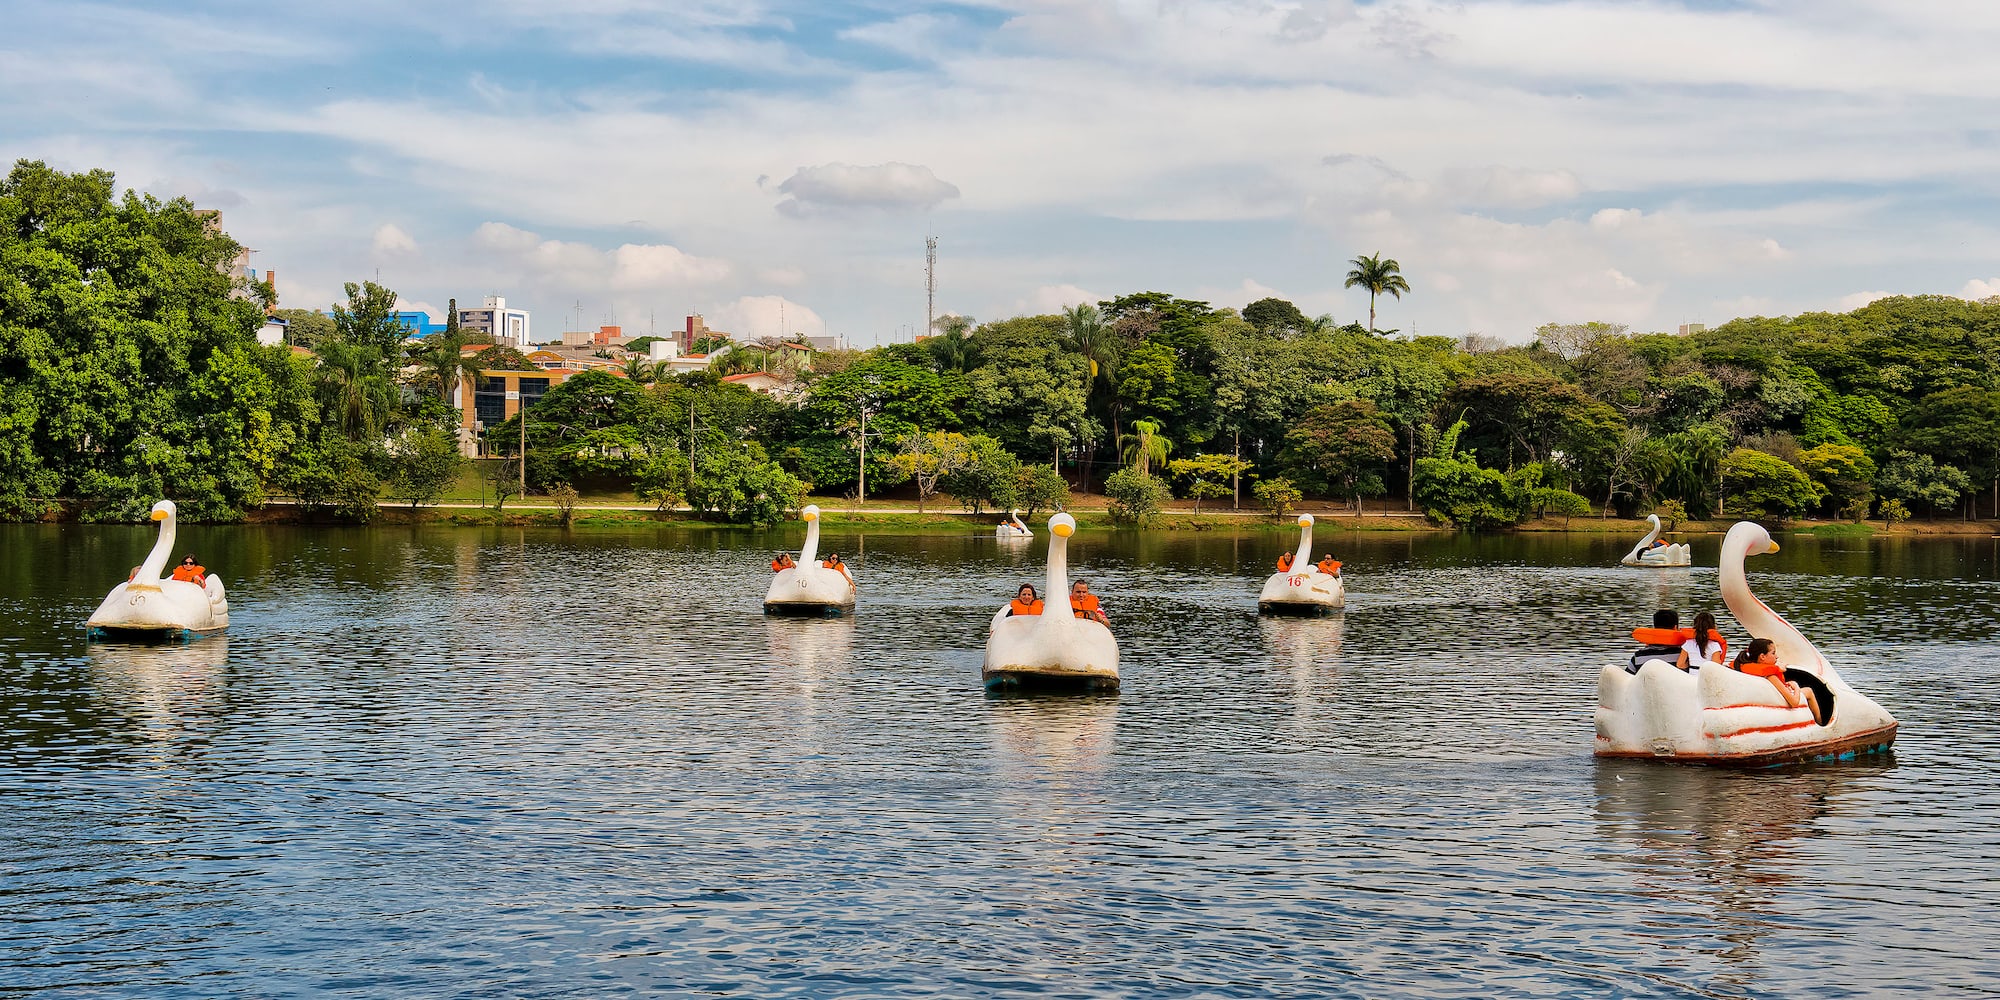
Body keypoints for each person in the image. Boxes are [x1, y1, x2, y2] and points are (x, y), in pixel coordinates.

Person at [1731, 637, 1820, 719]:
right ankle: (1820, 724)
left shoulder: (1746, 668)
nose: (1777, 656)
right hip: (1781, 702)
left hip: (1766, 701)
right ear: (1762, 656)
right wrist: (1796, 686)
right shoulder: (1770, 676)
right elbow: (1794, 703)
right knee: (1809, 691)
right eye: (1773, 653)